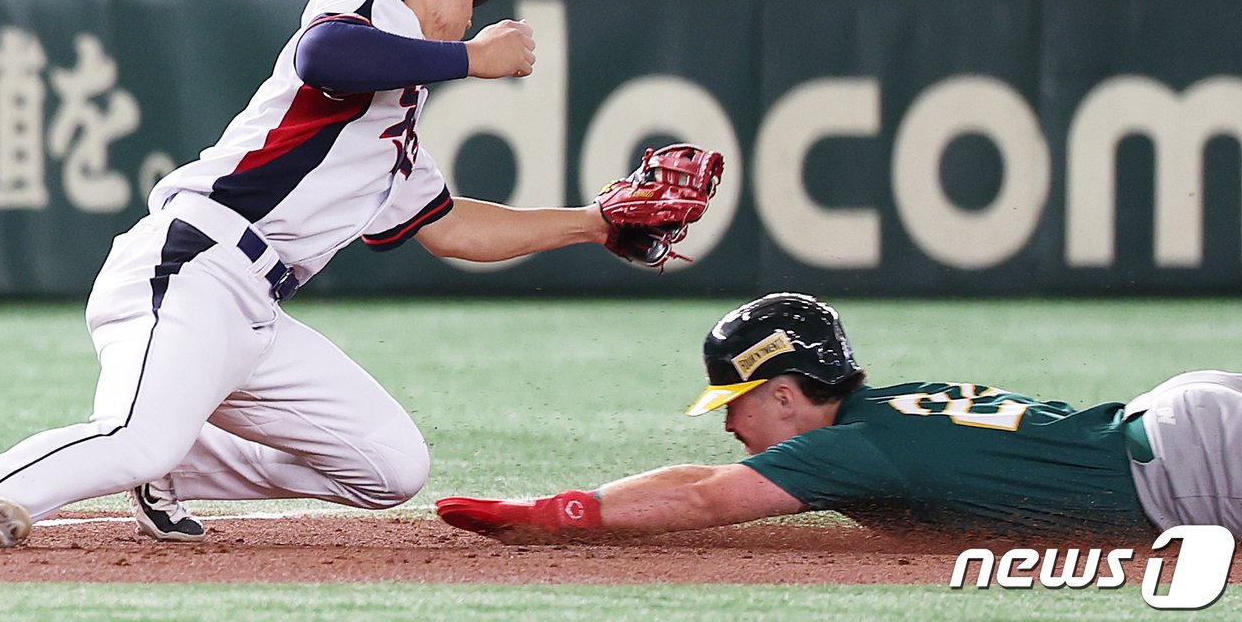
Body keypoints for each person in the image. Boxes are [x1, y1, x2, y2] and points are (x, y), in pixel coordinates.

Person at [0, 0, 616, 547]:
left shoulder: (397, 111)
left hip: (252, 308)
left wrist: (594, 223)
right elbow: (327, 49)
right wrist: (472, 57)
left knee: (392, 467)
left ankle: (174, 459)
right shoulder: (369, 12)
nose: (471, 10)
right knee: (133, 434)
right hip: (194, 264)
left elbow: (451, 227)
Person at [436, 292, 1242, 542]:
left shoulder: (852, 447)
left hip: (1190, 471)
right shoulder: (892, 405)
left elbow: (706, 494)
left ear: (786, 393)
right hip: (1181, 425)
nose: (728, 427)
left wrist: (549, 512)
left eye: (736, 402)